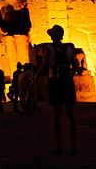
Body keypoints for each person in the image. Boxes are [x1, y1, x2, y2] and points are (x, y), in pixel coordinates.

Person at [32, 24, 77, 155]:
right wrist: (70, 76)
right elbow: (75, 67)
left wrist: (35, 78)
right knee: (71, 115)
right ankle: (73, 144)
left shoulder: (49, 48)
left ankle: (58, 146)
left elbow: (43, 66)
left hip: (55, 82)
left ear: (52, 37)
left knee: (56, 116)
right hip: (67, 82)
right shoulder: (69, 49)